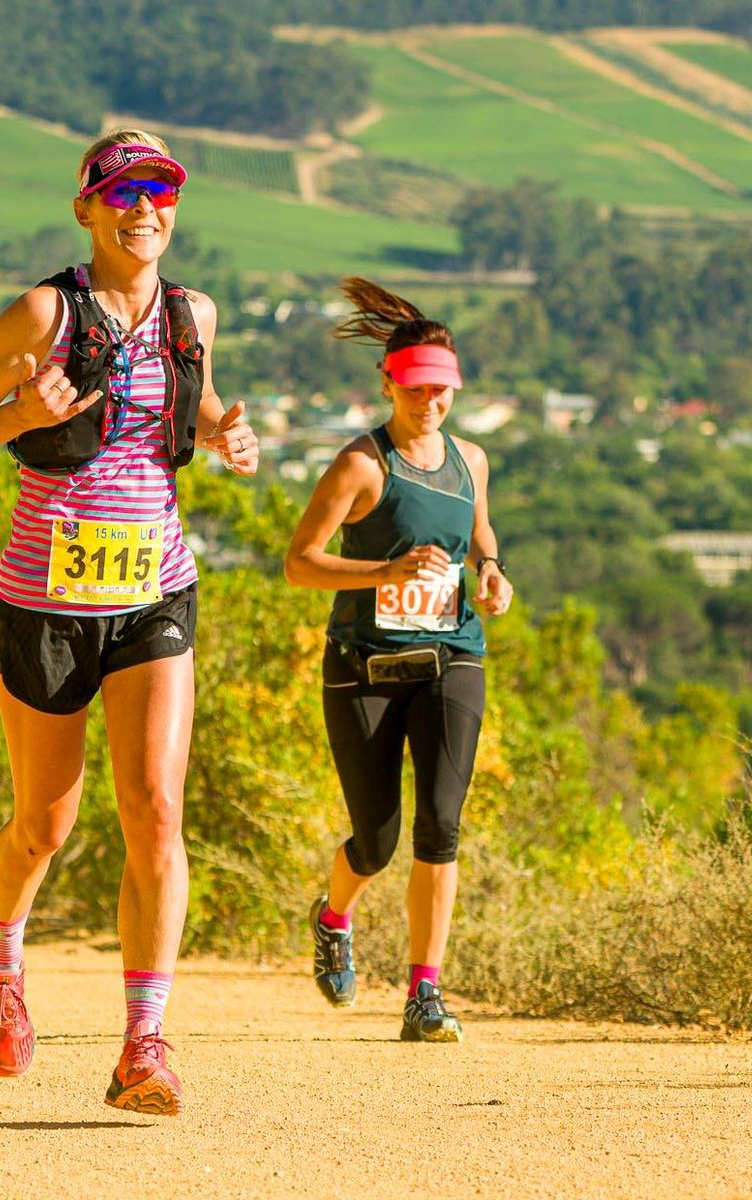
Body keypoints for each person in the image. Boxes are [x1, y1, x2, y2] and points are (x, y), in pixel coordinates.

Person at [0, 129, 258, 1114]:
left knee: (157, 808)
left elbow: (175, 413)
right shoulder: (43, 311)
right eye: (122, 193)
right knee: (45, 827)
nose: (144, 209)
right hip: (44, 604)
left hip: (154, 593)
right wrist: (16, 415)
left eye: (160, 191)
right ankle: (0, 953)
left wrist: (224, 434)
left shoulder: (192, 315)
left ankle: (144, 1045)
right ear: (87, 208)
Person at [284, 278, 513, 1043]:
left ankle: (425, 994)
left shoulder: (470, 460)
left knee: (440, 827)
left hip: (452, 656)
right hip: (365, 667)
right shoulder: (360, 465)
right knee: (376, 840)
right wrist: (383, 574)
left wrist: (491, 569)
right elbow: (300, 563)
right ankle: (335, 916)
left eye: (442, 390)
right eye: (417, 389)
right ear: (388, 383)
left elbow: (478, 533)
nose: (430, 403)